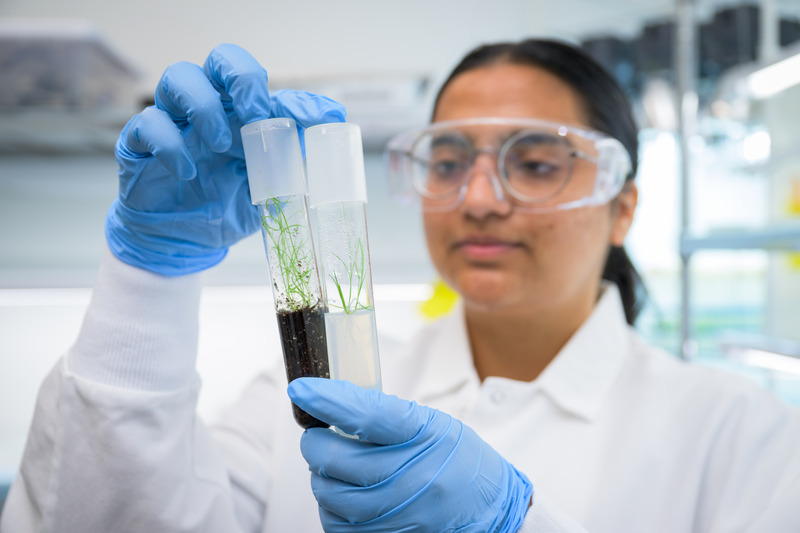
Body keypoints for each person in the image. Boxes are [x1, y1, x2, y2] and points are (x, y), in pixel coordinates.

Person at [1, 39, 799, 533]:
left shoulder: (742, 436)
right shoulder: (308, 389)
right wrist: (149, 276)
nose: (480, 197)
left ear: (622, 205)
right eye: (449, 161)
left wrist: (515, 524)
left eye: (536, 160)